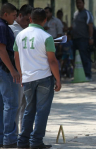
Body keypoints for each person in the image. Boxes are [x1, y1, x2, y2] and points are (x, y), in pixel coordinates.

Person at [14, 8, 61, 148]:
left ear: (30, 19)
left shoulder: (20, 36)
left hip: (27, 78)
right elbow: (52, 61)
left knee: (29, 109)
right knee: (42, 110)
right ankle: (36, 141)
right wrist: (58, 79)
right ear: (45, 20)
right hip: (44, 78)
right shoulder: (47, 37)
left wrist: (21, 74)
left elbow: (16, 57)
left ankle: (23, 141)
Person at [9, 4, 33, 135]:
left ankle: (24, 135)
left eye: (30, 20)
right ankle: (13, 135)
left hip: (27, 72)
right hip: (16, 72)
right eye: (26, 20)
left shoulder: (29, 30)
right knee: (16, 105)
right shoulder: (11, 29)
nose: (28, 23)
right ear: (19, 16)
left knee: (27, 105)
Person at [0, 3, 19, 148]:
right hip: (5, 70)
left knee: (3, 104)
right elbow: (2, 51)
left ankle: (3, 137)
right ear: (5, 14)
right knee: (11, 104)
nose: (15, 18)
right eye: (13, 15)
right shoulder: (2, 27)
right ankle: (10, 138)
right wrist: (13, 70)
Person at [71, 0, 94, 81]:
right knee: (75, 58)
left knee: (85, 57)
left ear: (83, 4)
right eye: (77, 3)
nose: (78, 4)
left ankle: (88, 75)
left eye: (80, 3)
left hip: (84, 39)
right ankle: (78, 75)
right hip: (75, 39)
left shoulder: (87, 13)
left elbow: (90, 26)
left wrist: (90, 38)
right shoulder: (75, 14)